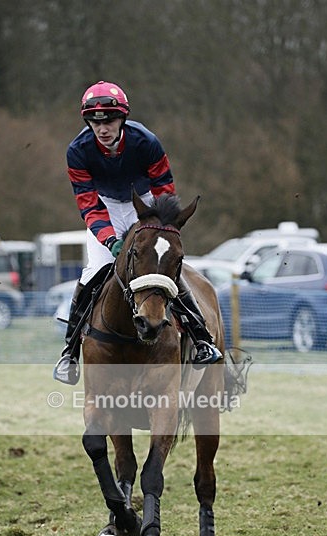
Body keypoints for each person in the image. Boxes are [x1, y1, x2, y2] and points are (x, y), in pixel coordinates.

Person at [53, 80, 222, 384]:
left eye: (110, 120)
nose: (102, 129)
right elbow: (89, 204)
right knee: (93, 272)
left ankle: (201, 339)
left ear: (123, 119)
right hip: (104, 208)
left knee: (162, 270)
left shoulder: (146, 142)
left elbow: (165, 190)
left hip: (144, 205)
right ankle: (69, 353)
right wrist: (109, 240)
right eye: (95, 121)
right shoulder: (77, 151)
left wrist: (158, 226)